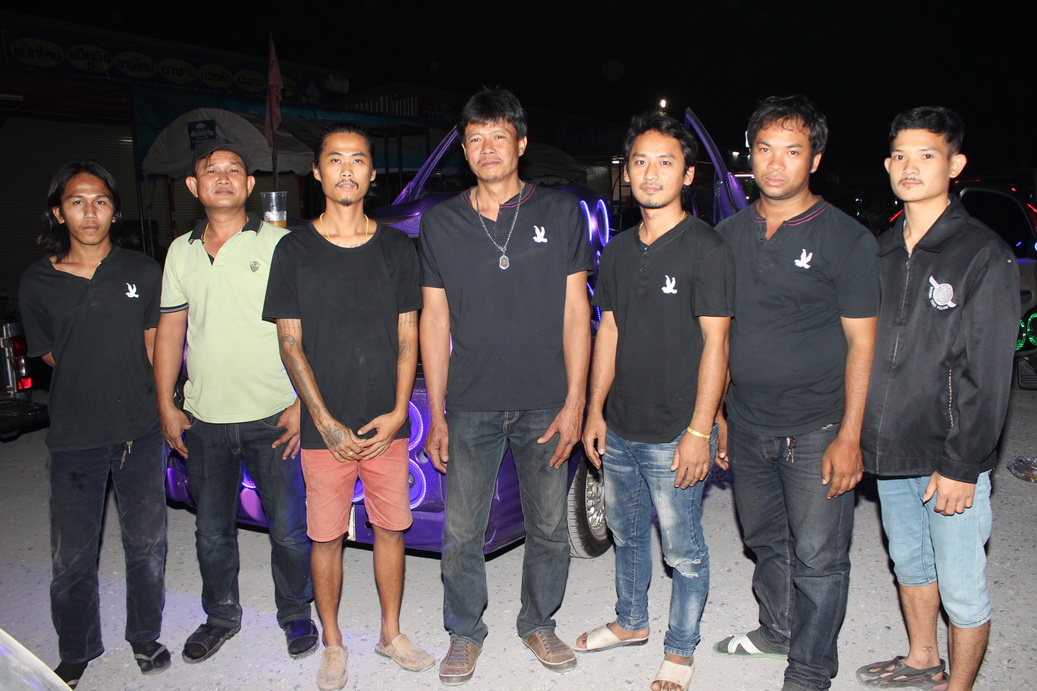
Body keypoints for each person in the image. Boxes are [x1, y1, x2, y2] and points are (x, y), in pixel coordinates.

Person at [418, 87, 593, 686]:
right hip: (471, 403)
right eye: (475, 139)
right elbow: (434, 319)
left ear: (520, 143)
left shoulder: (560, 213)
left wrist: (576, 401)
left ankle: (538, 622)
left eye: (499, 137)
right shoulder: (441, 223)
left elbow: (576, 312)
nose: (487, 148)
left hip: (546, 399)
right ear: (464, 150)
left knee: (548, 527)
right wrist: (438, 411)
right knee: (461, 531)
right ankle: (464, 632)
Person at [712, 95, 879, 691]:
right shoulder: (727, 237)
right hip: (748, 423)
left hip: (817, 428)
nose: (776, 163)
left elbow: (863, 343)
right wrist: (719, 414)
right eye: (764, 149)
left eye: (792, 150)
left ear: (815, 159)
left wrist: (851, 435)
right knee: (765, 542)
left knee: (819, 558)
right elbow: (720, 335)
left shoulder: (847, 240)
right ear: (749, 155)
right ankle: (778, 629)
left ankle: (809, 670)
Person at [263, 123, 433, 690]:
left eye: (358, 159)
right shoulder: (294, 249)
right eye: (335, 159)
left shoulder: (396, 248)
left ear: (372, 173)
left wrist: (399, 411)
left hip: (386, 423)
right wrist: (324, 421)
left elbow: (408, 337)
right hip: (323, 428)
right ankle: (333, 644)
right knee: (325, 536)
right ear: (317, 172)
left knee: (392, 529)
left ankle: (391, 634)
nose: (346, 169)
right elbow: (290, 343)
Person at [856, 107, 1017, 691]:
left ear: (955, 164)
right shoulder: (878, 251)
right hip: (890, 447)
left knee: (961, 585)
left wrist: (963, 464)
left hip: (948, 455)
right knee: (909, 562)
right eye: (900, 155)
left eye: (927, 155)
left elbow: (989, 372)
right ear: (887, 165)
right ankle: (923, 657)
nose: (910, 166)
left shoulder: (981, 253)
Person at [574, 113, 734, 691]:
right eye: (639, 161)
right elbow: (609, 333)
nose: (650, 173)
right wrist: (595, 411)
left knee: (683, 549)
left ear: (687, 175)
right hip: (620, 426)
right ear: (626, 172)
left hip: (676, 431)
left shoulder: (707, 248)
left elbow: (718, 343)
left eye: (665, 162)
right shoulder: (617, 251)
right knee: (626, 532)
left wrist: (700, 430)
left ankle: (681, 649)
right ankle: (632, 621)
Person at [153, 141, 316, 665]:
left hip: (274, 414)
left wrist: (303, 403)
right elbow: (171, 331)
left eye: (234, 171)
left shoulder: (281, 244)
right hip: (204, 419)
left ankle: (296, 613)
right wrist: (167, 404)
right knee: (211, 532)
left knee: (288, 530)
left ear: (249, 185)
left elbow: (311, 328)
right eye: (211, 170)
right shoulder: (180, 252)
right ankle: (220, 616)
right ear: (193, 186)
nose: (223, 177)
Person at [19, 161, 169, 689]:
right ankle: (77, 648)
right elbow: (52, 355)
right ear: (58, 212)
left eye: (100, 201)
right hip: (75, 437)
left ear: (114, 211)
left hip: (140, 431)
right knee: (73, 554)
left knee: (146, 545)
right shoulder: (37, 281)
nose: (89, 212)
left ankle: (144, 636)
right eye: (77, 201)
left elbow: (155, 347)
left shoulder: (142, 271)